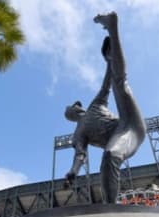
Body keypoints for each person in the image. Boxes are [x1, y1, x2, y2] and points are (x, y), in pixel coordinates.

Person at [64, 11, 146, 203]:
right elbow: (80, 155)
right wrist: (73, 172)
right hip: (125, 137)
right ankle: (111, 207)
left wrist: (109, 61)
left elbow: (107, 83)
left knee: (120, 84)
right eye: (71, 109)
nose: (75, 108)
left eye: (74, 106)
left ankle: (112, 27)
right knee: (110, 155)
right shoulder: (78, 135)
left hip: (130, 123)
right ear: (71, 116)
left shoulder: (94, 105)